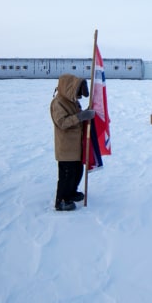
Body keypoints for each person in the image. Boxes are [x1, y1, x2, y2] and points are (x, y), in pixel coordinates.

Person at [50, 73, 95, 211]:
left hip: (76, 146)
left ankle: (72, 192)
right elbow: (62, 122)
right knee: (66, 175)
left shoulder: (72, 101)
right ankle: (62, 200)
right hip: (66, 147)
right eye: (77, 91)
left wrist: (86, 112)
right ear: (68, 88)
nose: (78, 96)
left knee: (77, 172)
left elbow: (77, 116)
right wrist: (81, 116)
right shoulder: (57, 103)